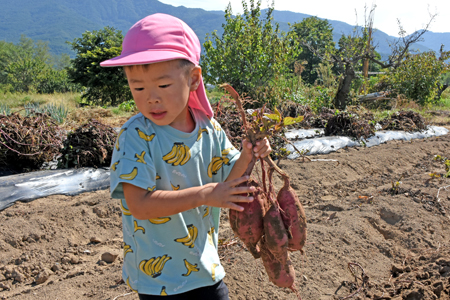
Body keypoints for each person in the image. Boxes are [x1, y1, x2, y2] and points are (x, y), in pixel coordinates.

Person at [100, 13, 271, 299]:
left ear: (193, 79)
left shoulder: (209, 128)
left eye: (163, 86)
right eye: (137, 87)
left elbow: (231, 181)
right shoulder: (136, 136)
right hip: (158, 281)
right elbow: (140, 205)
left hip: (206, 268)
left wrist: (249, 153)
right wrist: (205, 195)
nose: (151, 98)